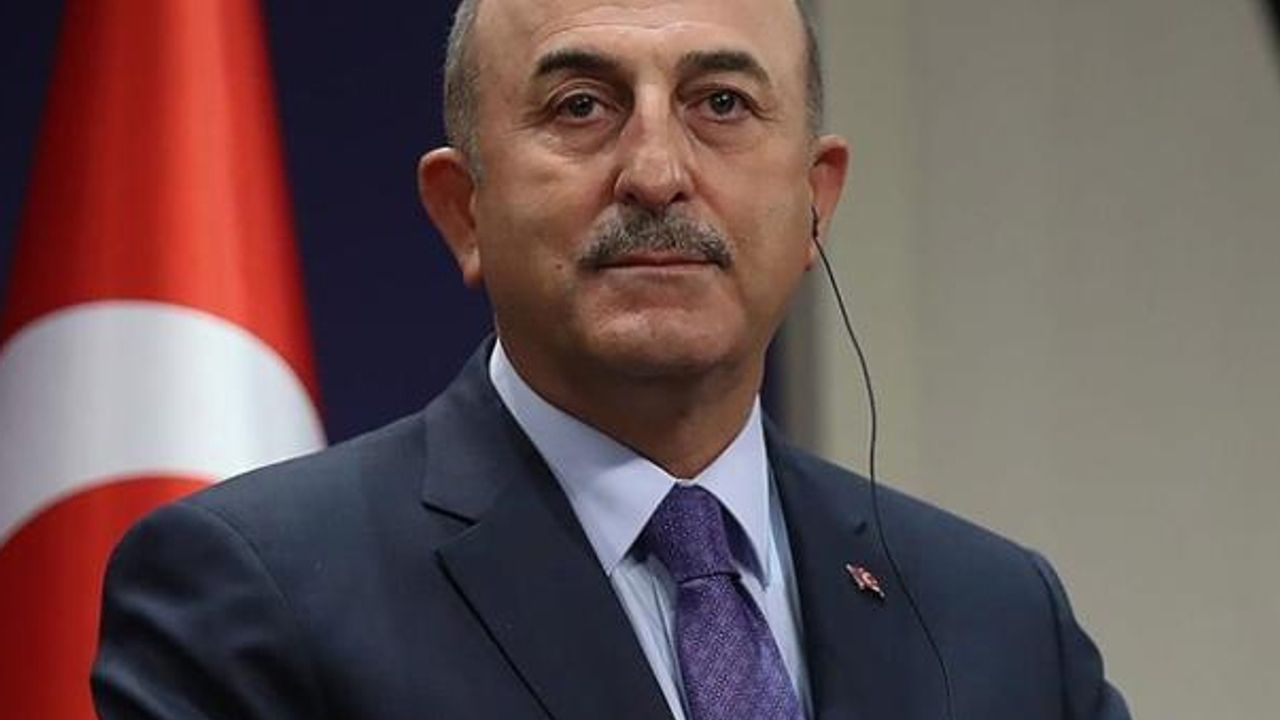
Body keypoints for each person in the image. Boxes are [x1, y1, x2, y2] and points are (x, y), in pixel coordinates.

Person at [92, 0, 1131, 718]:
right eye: (581, 106)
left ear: (816, 201)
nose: (656, 172)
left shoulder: (995, 616)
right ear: (463, 211)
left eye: (720, 104)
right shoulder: (256, 595)